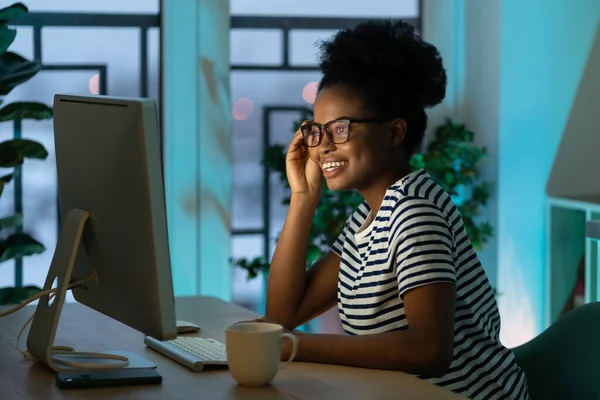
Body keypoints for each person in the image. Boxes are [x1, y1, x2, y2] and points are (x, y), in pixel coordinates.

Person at [262, 19, 530, 400]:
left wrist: (292, 346)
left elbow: (429, 350)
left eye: (340, 128)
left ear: (395, 132)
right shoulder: (369, 217)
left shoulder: (415, 212)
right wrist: (303, 197)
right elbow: (282, 317)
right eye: (316, 130)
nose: (321, 146)